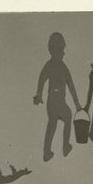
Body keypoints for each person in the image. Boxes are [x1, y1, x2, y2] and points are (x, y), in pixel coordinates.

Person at [32, 31, 79, 162]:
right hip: (56, 101)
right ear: (54, 50)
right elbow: (42, 79)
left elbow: (70, 86)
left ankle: (47, 152)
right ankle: (65, 147)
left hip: (52, 102)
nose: (63, 53)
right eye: (62, 50)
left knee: (52, 124)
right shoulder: (59, 67)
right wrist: (38, 94)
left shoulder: (55, 66)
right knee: (67, 117)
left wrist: (39, 95)